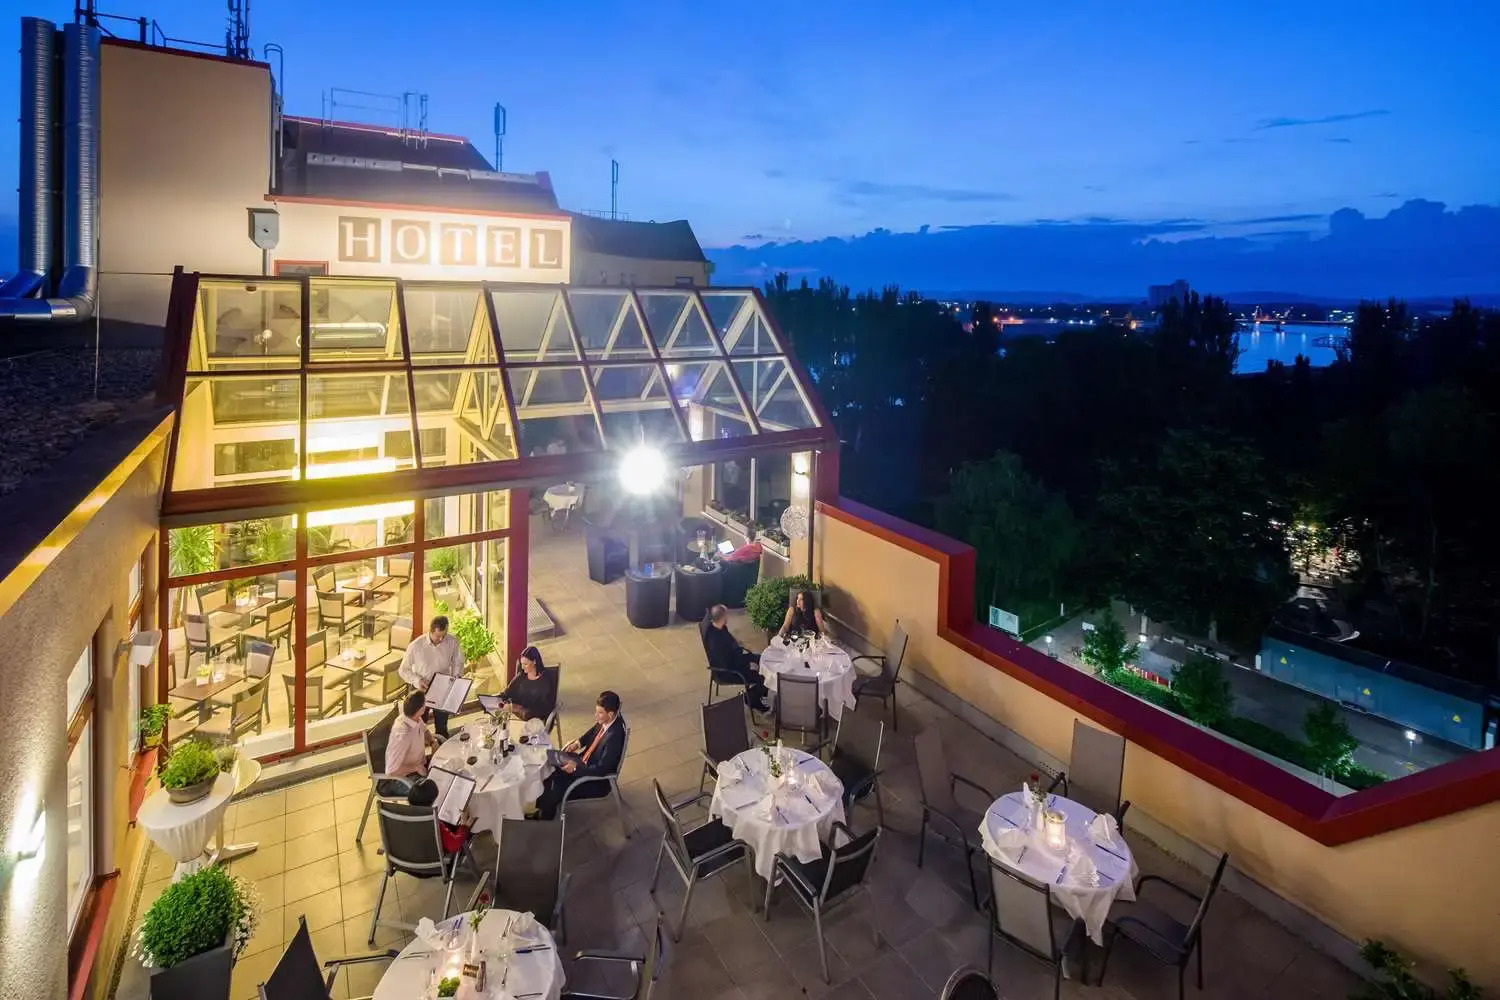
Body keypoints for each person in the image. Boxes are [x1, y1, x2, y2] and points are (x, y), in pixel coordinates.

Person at [535, 691, 625, 820]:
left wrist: (576, 768)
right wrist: (578, 743)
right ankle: (543, 810)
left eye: (599, 713)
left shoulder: (614, 737)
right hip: (583, 762)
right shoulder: (608, 720)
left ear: (610, 714)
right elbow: (593, 731)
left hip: (593, 780)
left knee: (556, 787)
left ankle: (544, 820)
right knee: (549, 767)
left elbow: (602, 769)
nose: (596, 716)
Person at [398, 615, 465, 737]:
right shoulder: (416, 646)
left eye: (444, 635)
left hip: (442, 688)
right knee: (417, 729)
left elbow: (458, 662)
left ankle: (440, 750)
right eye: (438, 636)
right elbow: (403, 670)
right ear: (431, 631)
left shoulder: (451, 641)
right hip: (421, 689)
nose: (441, 639)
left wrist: (456, 677)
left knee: (442, 727)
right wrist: (417, 680)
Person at [702, 605, 770, 712]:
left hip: (736, 659)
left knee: (762, 659)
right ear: (723, 618)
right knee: (763, 676)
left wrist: (739, 645)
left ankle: (758, 693)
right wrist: (748, 665)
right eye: (726, 615)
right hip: (728, 671)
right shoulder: (716, 643)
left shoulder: (719, 627)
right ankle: (751, 700)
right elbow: (726, 662)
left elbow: (730, 641)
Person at [382, 691, 436, 795]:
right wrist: (415, 768)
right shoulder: (403, 735)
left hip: (419, 767)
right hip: (402, 779)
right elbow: (391, 771)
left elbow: (424, 730)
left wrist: (432, 742)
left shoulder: (414, 717)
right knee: (433, 791)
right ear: (421, 709)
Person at [406, 777, 474, 855]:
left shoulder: (401, 815)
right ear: (431, 802)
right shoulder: (433, 822)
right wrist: (464, 827)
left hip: (406, 859)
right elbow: (454, 845)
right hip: (430, 861)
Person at [500, 646, 558, 722]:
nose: (523, 667)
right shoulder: (521, 675)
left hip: (536, 720)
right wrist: (494, 700)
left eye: (525, 664)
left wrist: (519, 708)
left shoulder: (545, 680)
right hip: (517, 715)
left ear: (534, 661)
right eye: (522, 664)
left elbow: (545, 708)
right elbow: (507, 693)